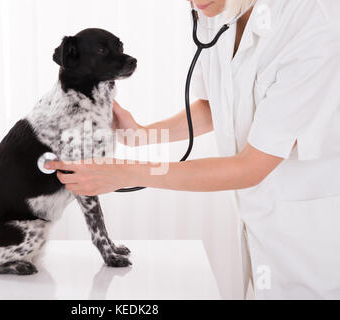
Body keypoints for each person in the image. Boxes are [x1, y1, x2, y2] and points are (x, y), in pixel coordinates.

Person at [45, 0, 340, 299]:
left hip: (310, 249)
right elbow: (219, 105)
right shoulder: (218, 10)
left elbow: (252, 166)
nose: (197, 2)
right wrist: (143, 135)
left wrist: (126, 172)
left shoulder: (316, 25)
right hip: (262, 233)